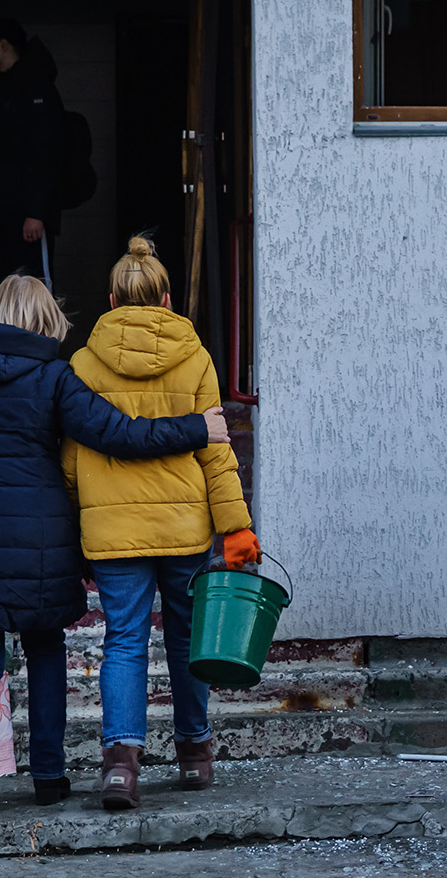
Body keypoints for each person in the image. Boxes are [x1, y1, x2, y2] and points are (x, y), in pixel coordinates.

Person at [0, 274, 227, 834]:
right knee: (45, 647)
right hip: (39, 538)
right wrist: (196, 427)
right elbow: (117, 434)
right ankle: (48, 777)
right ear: (46, 319)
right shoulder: (53, 378)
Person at [61, 237, 258, 810]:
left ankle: (121, 766)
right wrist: (236, 526)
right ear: (168, 297)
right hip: (184, 525)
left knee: (123, 641)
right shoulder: (194, 356)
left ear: (112, 298)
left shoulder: (83, 362)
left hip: (112, 532)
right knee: (188, 638)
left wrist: (75, 519)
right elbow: (216, 452)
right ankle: (194, 756)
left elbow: (71, 459)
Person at [0, 18, 64, 291]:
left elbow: (47, 152)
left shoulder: (37, 88)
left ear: (4, 45)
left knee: (34, 290)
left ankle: (40, 336)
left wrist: (36, 211)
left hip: (26, 217)